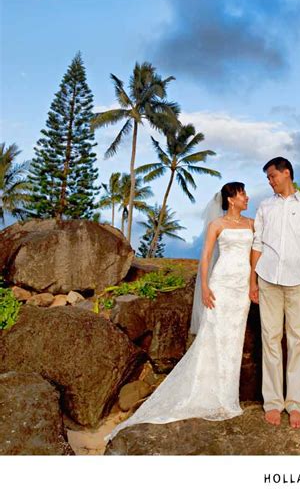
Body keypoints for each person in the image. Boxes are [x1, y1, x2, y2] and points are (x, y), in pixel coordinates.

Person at [106, 182, 253, 441]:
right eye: (242, 194)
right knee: (213, 339)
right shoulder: (216, 225)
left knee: (234, 340)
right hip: (220, 284)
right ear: (231, 198)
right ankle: (208, 394)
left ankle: (227, 397)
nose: (247, 197)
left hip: (241, 288)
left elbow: (256, 255)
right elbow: (206, 257)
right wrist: (205, 287)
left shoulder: (252, 224)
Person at [250, 157, 300, 430]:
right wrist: (253, 281)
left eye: (272, 176)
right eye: (268, 178)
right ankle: (272, 403)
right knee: (270, 339)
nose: (270, 181)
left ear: (286, 173)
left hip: (298, 281)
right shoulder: (265, 206)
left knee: (298, 341)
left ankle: (295, 404)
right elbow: (257, 244)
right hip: (268, 278)